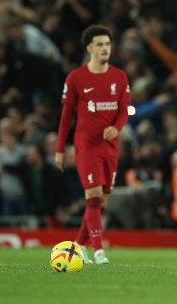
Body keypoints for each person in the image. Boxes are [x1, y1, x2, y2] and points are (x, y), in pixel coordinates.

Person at [55, 25, 131, 265]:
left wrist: (116, 128)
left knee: (103, 201)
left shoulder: (119, 76)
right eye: (99, 44)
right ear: (89, 48)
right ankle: (99, 251)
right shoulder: (76, 78)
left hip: (111, 147)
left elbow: (124, 110)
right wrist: (60, 149)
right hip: (86, 144)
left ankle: (77, 247)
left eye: (107, 44)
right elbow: (66, 116)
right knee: (94, 197)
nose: (104, 49)